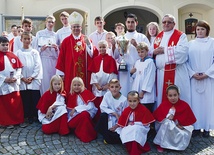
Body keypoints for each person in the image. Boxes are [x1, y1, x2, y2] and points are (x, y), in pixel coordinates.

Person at [153, 14, 190, 107]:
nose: (166, 24)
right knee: (162, 98)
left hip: (176, 73)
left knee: (177, 97)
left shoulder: (180, 35)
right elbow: (151, 52)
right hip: (161, 74)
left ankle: (179, 120)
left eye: (169, 22)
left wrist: (164, 50)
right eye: (164, 22)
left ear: (174, 24)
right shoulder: (159, 37)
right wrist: (154, 52)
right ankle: (163, 119)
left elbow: (183, 52)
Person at [56, 11, 98, 93]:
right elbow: (61, 58)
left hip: (84, 71)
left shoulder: (86, 39)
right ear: (71, 28)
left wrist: (89, 45)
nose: (76, 29)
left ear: (81, 28)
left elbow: (93, 55)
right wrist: (60, 74)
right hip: (70, 71)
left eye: (78, 27)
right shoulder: (66, 41)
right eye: (74, 27)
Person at [187, 20, 214, 138]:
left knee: (207, 103)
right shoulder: (190, 43)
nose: (200, 31)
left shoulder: (212, 42)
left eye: (202, 29)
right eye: (198, 29)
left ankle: (207, 127)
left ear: (207, 30)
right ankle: (196, 127)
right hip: (194, 78)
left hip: (208, 78)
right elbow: (185, 61)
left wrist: (207, 73)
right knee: (195, 103)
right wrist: (192, 73)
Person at [114, 13, 150, 97]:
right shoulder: (120, 38)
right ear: (126, 23)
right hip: (124, 70)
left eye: (132, 22)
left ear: (136, 23)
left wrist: (136, 45)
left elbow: (149, 54)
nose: (130, 24)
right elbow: (115, 56)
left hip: (138, 69)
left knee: (136, 93)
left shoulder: (142, 37)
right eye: (128, 22)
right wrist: (114, 46)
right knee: (124, 92)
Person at [153, 85, 196, 152]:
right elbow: (158, 118)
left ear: (178, 95)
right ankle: (161, 144)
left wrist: (182, 126)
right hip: (166, 129)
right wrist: (167, 117)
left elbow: (190, 121)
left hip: (180, 129)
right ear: (167, 96)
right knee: (167, 122)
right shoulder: (164, 104)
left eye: (175, 95)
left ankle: (175, 146)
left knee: (182, 134)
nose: (173, 98)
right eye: (170, 96)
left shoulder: (184, 105)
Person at [114, 91, 155, 155]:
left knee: (135, 130)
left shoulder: (143, 109)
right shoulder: (126, 110)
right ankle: (130, 148)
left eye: (134, 101)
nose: (132, 103)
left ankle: (135, 151)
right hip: (129, 127)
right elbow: (123, 122)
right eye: (130, 101)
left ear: (138, 100)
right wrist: (127, 124)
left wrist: (135, 124)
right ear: (127, 101)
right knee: (126, 131)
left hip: (140, 127)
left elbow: (146, 124)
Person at [16, 32, 43, 124]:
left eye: (29, 39)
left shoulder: (34, 52)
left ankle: (35, 115)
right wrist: (22, 77)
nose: (27, 41)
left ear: (32, 40)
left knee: (34, 97)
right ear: (21, 40)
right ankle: (27, 115)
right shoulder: (18, 53)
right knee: (25, 98)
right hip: (23, 80)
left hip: (33, 79)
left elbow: (37, 65)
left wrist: (32, 77)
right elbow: (17, 66)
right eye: (25, 39)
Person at [88, 40, 118, 122]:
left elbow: (113, 74)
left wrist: (108, 85)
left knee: (106, 104)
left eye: (104, 47)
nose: (102, 49)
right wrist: (97, 85)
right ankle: (96, 122)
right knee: (97, 104)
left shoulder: (111, 59)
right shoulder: (95, 59)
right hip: (97, 88)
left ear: (107, 48)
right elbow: (93, 73)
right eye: (100, 47)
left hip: (107, 88)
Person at [0, 36, 24, 129]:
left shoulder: (12, 55)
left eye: (7, 45)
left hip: (13, 84)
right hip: (3, 84)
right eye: (3, 45)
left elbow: (19, 68)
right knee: (5, 104)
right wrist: (4, 79)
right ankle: (6, 122)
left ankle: (17, 120)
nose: (5, 47)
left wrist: (16, 77)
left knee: (16, 103)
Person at [95, 79, 128, 144]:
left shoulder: (124, 100)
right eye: (112, 87)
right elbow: (102, 107)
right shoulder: (107, 95)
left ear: (120, 88)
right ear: (109, 88)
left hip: (119, 122)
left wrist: (117, 125)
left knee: (118, 137)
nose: (114, 89)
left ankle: (108, 137)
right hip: (109, 118)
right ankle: (107, 135)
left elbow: (125, 115)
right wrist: (114, 113)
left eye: (116, 87)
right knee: (103, 115)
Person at [67, 77, 97, 143]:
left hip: (86, 115)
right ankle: (83, 133)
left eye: (79, 85)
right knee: (83, 116)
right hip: (74, 118)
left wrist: (76, 108)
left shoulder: (87, 93)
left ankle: (86, 136)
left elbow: (90, 106)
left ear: (82, 85)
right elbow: (69, 111)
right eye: (75, 85)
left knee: (84, 115)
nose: (76, 87)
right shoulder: (71, 95)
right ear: (72, 86)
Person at [36, 15, 58, 95]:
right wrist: (41, 49)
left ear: (54, 24)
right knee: (44, 82)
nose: (50, 24)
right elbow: (35, 49)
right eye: (49, 22)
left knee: (54, 81)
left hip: (53, 60)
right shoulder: (39, 33)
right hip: (43, 60)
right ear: (46, 22)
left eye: (52, 22)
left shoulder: (56, 35)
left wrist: (56, 49)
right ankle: (44, 101)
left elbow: (59, 52)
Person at [130, 42, 156, 112]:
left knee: (146, 111)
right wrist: (132, 73)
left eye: (142, 52)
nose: (140, 54)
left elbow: (150, 77)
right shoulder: (137, 62)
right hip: (137, 91)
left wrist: (143, 91)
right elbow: (135, 76)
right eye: (138, 52)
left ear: (147, 51)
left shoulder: (150, 62)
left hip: (145, 93)